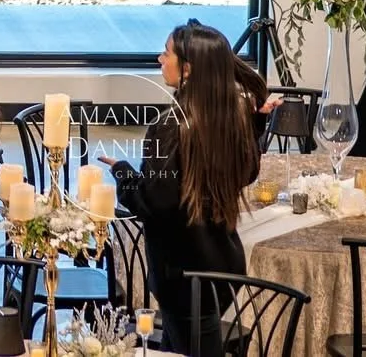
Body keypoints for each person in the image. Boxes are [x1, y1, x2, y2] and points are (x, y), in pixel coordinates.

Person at [107, 21, 265, 354]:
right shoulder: (230, 117)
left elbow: (156, 202)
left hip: (184, 273)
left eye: (166, 53)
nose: (159, 59)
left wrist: (122, 174)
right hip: (222, 266)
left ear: (188, 69)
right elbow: (247, 173)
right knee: (176, 344)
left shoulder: (169, 126)